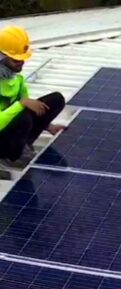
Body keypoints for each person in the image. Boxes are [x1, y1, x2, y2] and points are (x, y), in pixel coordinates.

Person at [0, 26, 66, 180]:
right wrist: (20, 104)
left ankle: (22, 146)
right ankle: (9, 155)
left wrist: (47, 126)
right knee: (23, 116)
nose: (20, 63)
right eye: (15, 59)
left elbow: (30, 108)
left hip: (11, 132)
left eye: (22, 59)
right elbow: (21, 108)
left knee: (56, 99)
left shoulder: (16, 80)